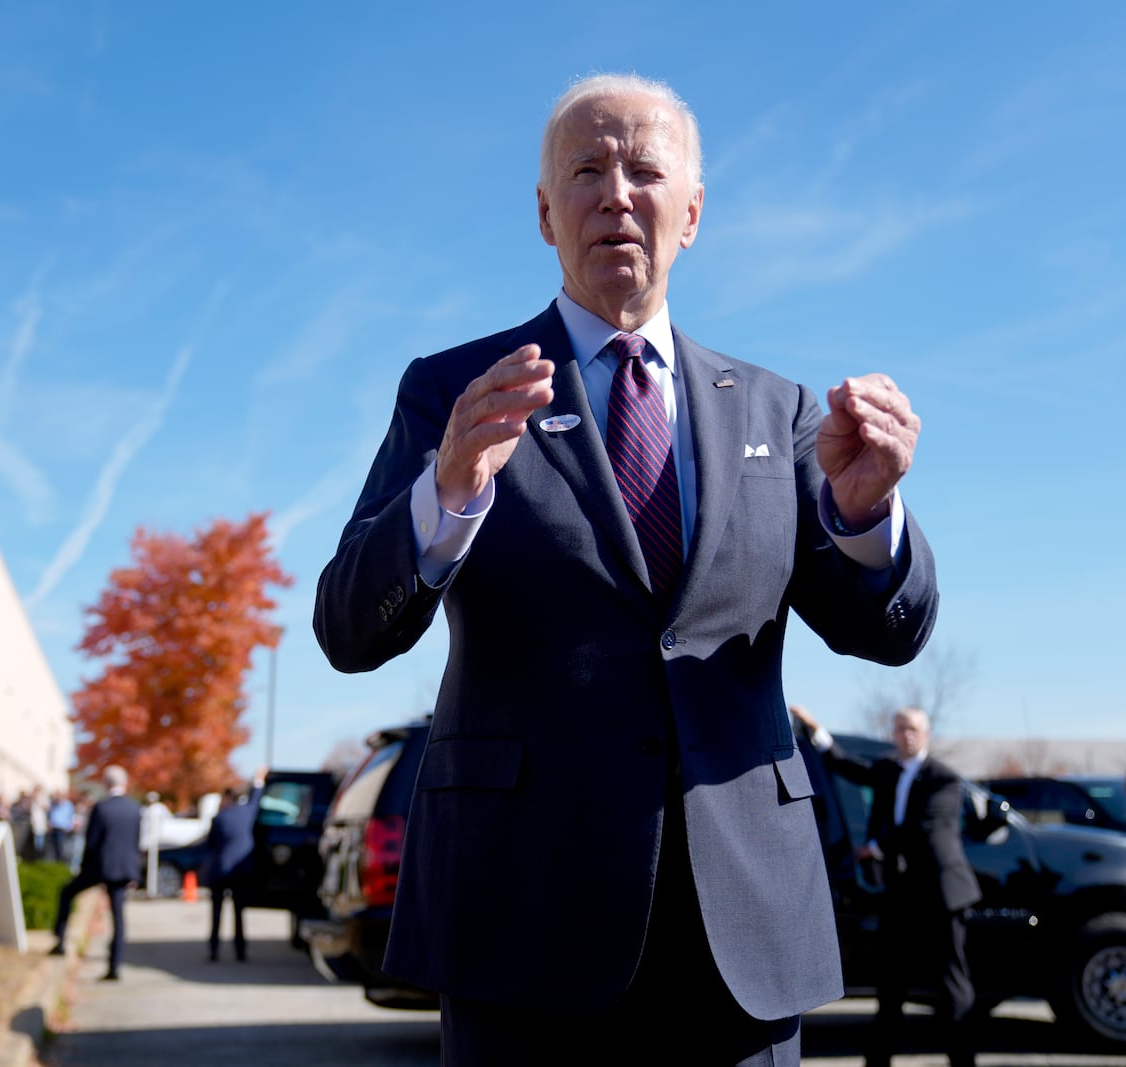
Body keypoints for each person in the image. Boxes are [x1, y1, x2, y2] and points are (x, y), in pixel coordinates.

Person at [314, 73, 938, 1065]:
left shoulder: (775, 411)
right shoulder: (454, 392)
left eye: (645, 169)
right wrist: (446, 492)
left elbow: (887, 629)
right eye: (586, 169)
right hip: (520, 919)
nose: (615, 192)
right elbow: (349, 627)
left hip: (740, 931)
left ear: (690, 214)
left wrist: (865, 517)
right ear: (544, 212)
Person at [790, 704, 977, 1067]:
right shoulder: (889, 770)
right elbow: (849, 767)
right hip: (902, 894)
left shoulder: (944, 778)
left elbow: (924, 828)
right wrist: (818, 732)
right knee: (891, 984)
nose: (906, 735)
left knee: (952, 984)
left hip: (942, 894)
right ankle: (877, 1061)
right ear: (893, 734)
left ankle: (963, 1061)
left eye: (913, 729)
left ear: (926, 735)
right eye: (900, 728)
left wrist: (873, 848)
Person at [49, 766, 141, 981]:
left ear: (106, 784)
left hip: (100, 868)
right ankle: (115, 966)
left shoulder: (102, 807)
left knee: (67, 892)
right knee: (118, 918)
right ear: (124, 783)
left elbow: (92, 843)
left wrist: (84, 869)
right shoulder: (134, 808)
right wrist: (134, 874)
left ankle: (60, 940)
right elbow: (136, 843)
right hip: (123, 870)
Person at [202, 785, 260, 963]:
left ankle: (214, 950)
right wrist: (259, 782)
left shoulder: (220, 817)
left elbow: (210, 845)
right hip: (240, 872)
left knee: (216, 914)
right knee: (238, 914)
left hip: (220, 870)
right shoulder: (247, 813)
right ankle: (240, 951)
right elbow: (256, 799)